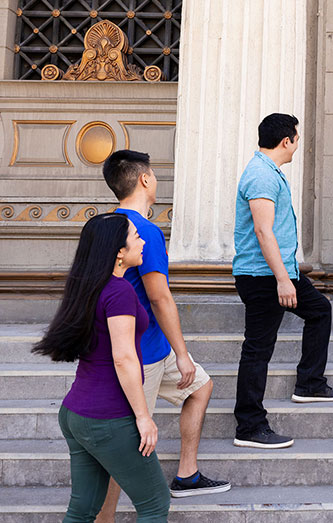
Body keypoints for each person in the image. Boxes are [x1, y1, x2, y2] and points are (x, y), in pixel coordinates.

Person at [92, 151, 230, 519]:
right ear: (145, 180)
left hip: (148, 347)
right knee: (127, 445)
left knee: (200, 387)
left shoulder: (106, 224)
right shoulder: (144, 231)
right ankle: (103, 517)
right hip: (144, 355)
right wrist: (182, 353)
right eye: (153, 173)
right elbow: (159, 296)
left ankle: (186, 474)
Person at [32, 213, 170, 522]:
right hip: (107, 418)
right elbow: (123, 358)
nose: (143, 241)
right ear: (119, 251)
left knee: (82, 511)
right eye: (136, 237)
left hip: (76, 413)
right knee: (155, 504)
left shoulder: (91, 286)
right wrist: (143, 417)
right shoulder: (119, 291)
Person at [233, 113, 333, 450]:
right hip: (265, 278)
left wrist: (290, 272)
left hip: (279, 273)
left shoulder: (268, 172)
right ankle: (250, 426)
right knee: (257, 349)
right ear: (287, 141)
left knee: (319, 311)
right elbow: (263, 230)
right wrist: (284, 279)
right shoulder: (261, 176)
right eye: (296, 138)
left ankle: (310, 384)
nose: (298, 144)